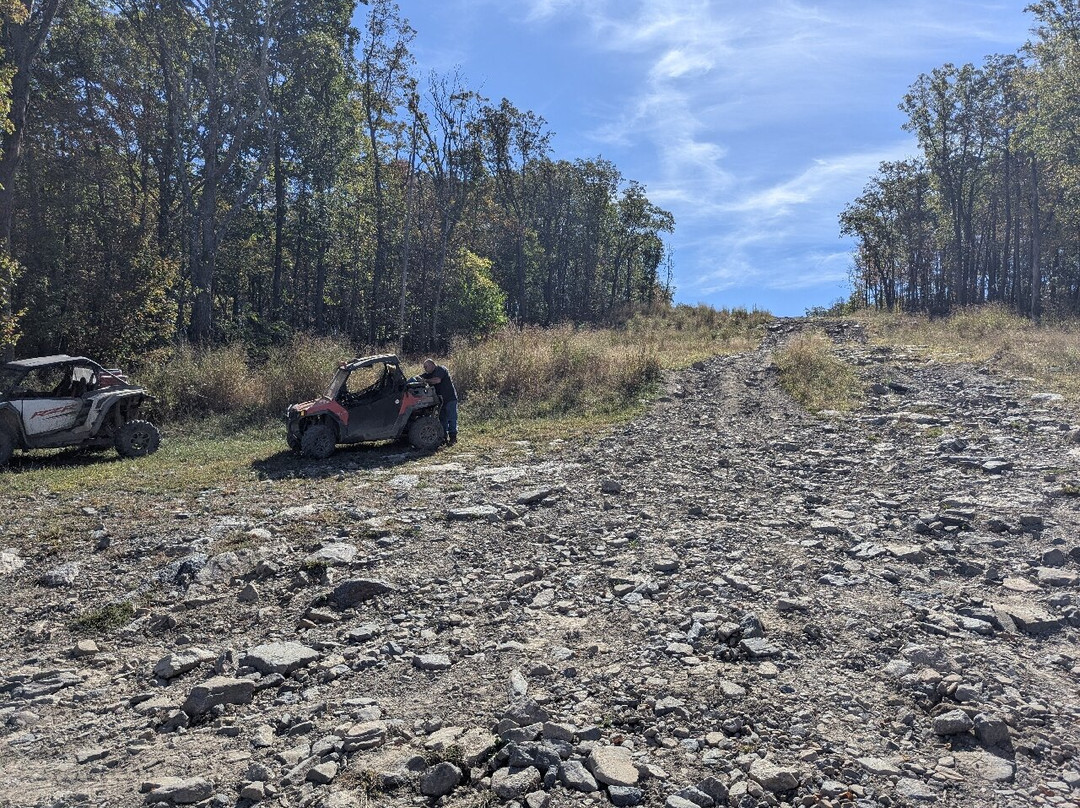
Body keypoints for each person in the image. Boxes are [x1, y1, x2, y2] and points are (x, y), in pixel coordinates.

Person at [420, 358, 458, 445]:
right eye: (424, 367)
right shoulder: (429, 374)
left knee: (452, 418)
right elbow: (418, 378)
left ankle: (453, 437)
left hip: (449, 398)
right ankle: (443, 437)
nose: (425, 369)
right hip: (441, 401)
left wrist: (425, 381)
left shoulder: (440, 369)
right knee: (442, 419)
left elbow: (437, 380)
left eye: (426, 367)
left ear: (432, 365)